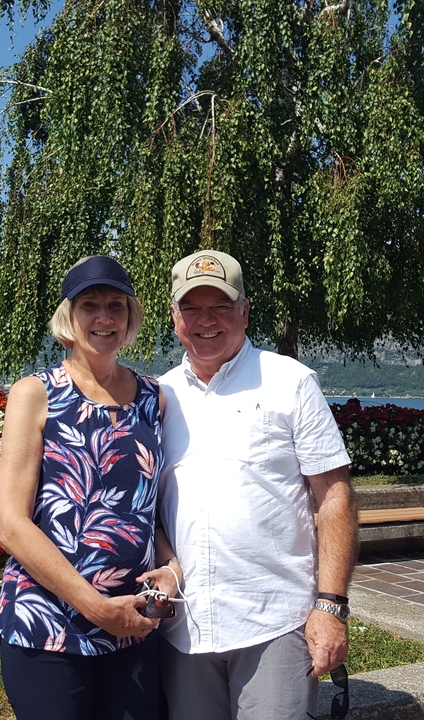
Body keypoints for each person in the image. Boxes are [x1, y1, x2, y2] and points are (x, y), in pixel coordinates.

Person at [156, 250, 359, 719]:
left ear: (244, 311)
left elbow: (335, 498)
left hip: (272, 622)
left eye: (221, 306)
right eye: (191, 307)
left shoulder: (290, 383)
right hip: (184, 630)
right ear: (174, 316)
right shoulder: (158, 396)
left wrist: (331, 607)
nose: (206, 320)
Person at [0, 255, 180, 720]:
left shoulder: (153, 398)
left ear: (130, 317)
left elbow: (143, 509)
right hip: (48, 624)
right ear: (69, 317)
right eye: (90, 305)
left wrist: (172, 565)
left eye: (116, 305)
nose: (103, 317)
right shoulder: (36, 393)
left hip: (133, 623)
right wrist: (96, 608)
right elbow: (10, 525)